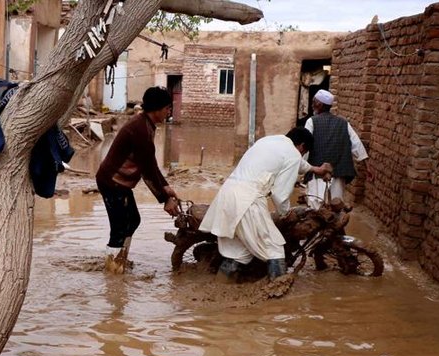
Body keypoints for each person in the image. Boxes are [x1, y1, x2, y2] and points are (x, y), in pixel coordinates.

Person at [199, 128, 332, 281]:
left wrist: (316, 169)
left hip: (227, 195)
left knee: (238, 253)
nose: (301, 155)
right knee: (274, 249)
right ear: (302, 146)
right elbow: (279, 194)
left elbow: (296, 162)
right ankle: (277, 291)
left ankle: (220, 287)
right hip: (248, 201)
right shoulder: (293, 154)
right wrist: (286, 213)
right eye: (304, 152)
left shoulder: (268, 141)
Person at [96, 86, 179, 273]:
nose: (169, 112)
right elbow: (147, 171)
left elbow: (150, 162)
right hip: (112, 182)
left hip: (119, 183)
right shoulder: (140, 129)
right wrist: (165, 199)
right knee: (119, 228)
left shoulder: (146, 124)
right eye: (167, 108)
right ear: (157, 109)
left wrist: (165, 187)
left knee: (132, 220)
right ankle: (113, 272)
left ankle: (120, 261)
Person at [303, 89, 370, 210]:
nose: (312, 105)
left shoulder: (311, 121)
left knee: (315, 206)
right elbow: (357, 145)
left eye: (314, 102)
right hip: (339, 171)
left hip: (317, 171)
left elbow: (305, 146)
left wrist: (303, 166)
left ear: (320, 104)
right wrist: (367, 167)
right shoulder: (343, 123)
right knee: (336, 205)